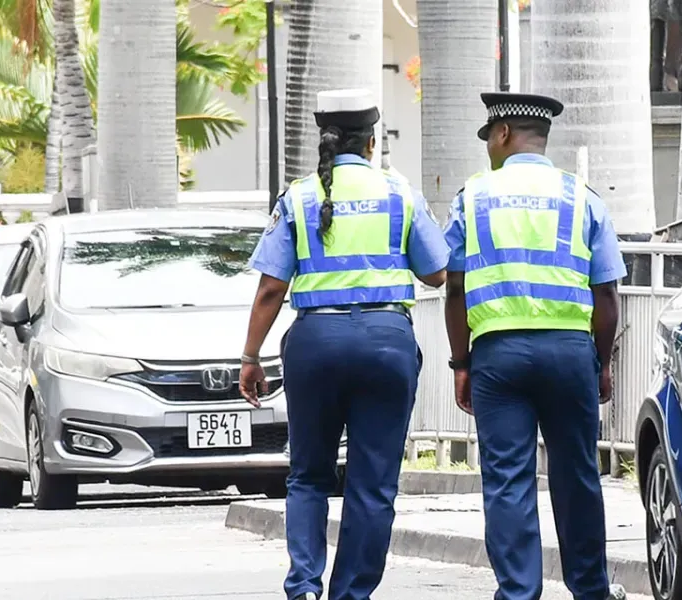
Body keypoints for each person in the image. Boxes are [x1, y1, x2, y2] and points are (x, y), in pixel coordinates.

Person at [239, 88, 449, 600]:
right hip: (386, 345)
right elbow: (438, 273)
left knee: (308, 475)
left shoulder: (299, 197)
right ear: (373, 141)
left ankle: (305, 587)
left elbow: (271, 287)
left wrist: (250, 356)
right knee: (372, 485)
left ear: (324, 139)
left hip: (316, 344)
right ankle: (351, 593)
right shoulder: (401, 194)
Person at [442, 92, 629, 600]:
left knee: (507, 480)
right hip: (570, 354)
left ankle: (519, 592)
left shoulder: (473, 197)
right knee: (577, 476)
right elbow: (607, 292)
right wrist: (602, 363)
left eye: (489, 139)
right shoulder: (580, 196)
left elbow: (454, 287)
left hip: (498, 359)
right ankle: (590, 589)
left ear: (502, 134)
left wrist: (461, 362)